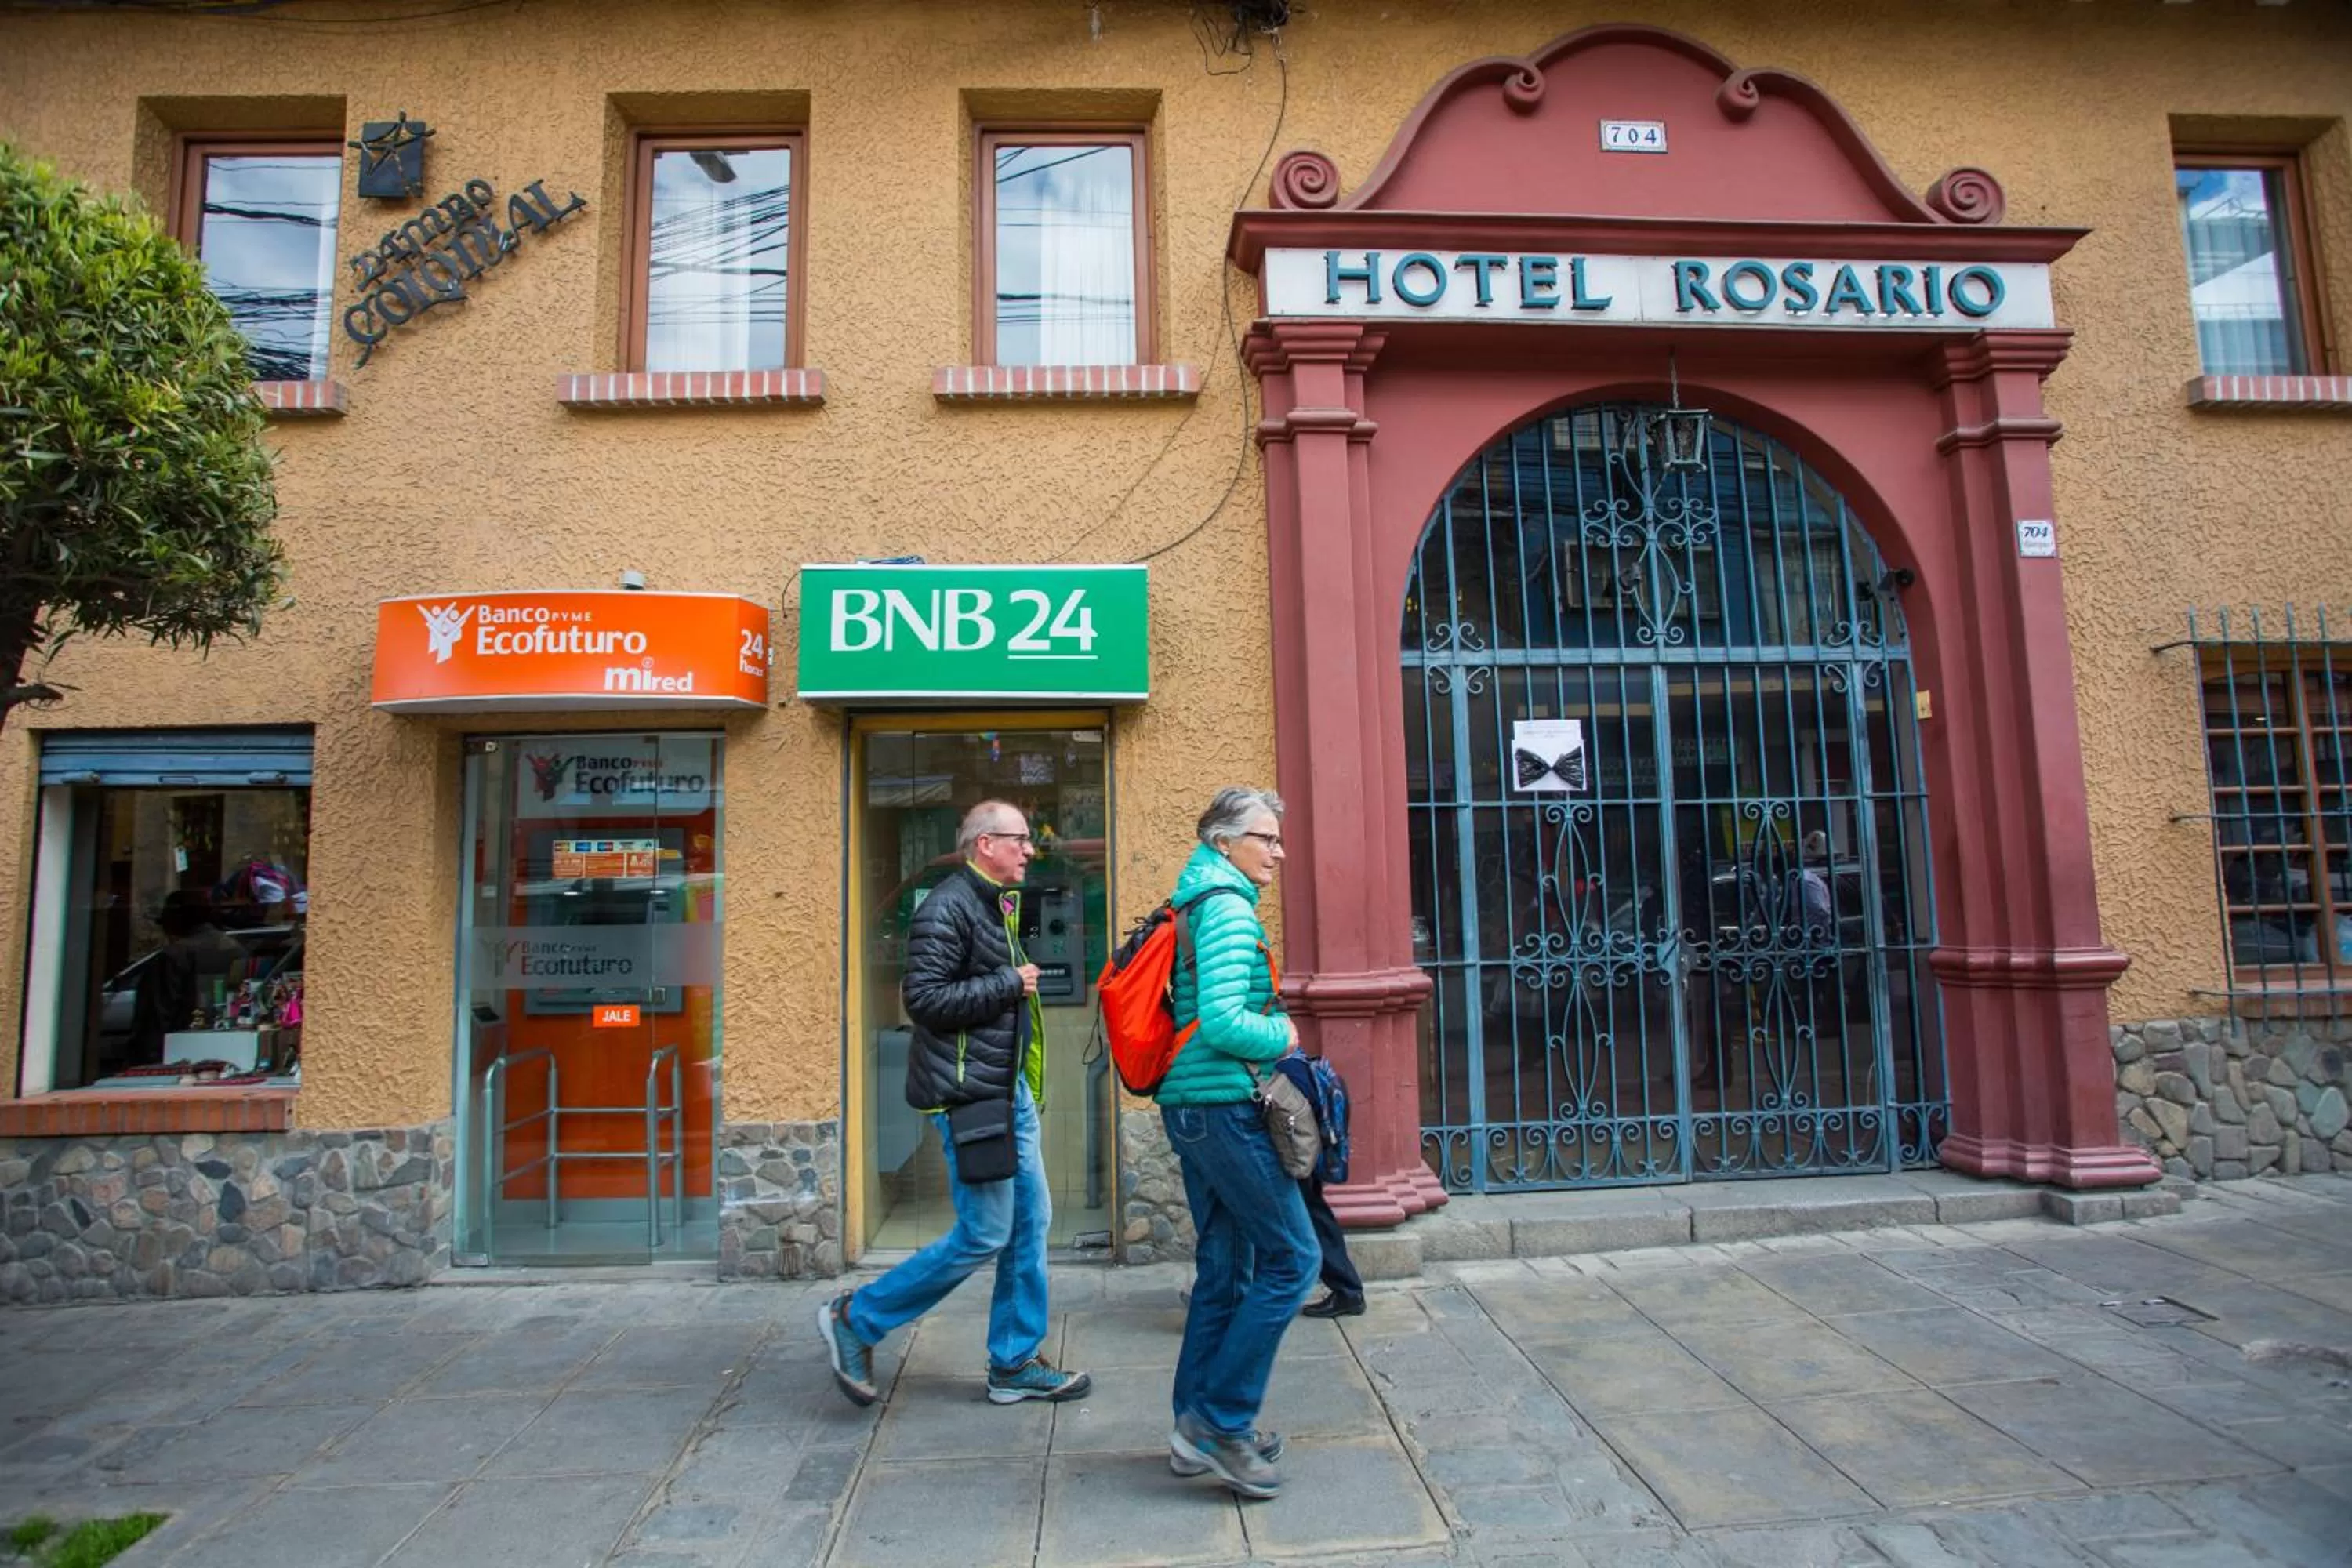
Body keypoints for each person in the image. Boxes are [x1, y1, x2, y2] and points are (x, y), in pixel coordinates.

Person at [818, 800, 1091, 1410]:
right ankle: (857, 1318)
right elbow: (925, 999)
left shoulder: (991, 903)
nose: (1029, 850)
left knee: (1029, 1223)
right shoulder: (950, 906)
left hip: (1001, 1090)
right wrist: (1008, 984)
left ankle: (1014, 1361)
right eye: (1020, 840)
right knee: (986, 1231)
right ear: (984, 844)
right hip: (970, 1096)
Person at [1159, 786, 1317, 1500]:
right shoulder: (1224, 907)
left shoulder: (1201, 897)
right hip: (1221, 1105)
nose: (1279, 853)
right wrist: (1283, 1033)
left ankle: (1192, 1427)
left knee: (1226, 1270)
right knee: (1294, 1257)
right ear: (1225, 842)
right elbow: (1223, 1021)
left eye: (1280, 841)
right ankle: (1223, 1423)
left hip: (1195, 1106)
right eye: (1267, 839)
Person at [126, 891, 243, 1070]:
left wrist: (144, 1061)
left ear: (175, 921)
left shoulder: (175, 956)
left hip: (179, 1053)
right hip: (225, 1044)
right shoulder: (234, 949)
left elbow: (155, 1016)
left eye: (165, 922)